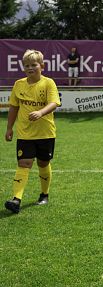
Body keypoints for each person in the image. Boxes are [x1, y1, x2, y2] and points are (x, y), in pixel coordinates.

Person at [4, 49, 61, 214]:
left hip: (46, 133)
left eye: (33, 65)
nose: (30, 68)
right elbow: (14, 107)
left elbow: (54, 103)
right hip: (25, 133)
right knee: (24, 163)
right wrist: (9, 128)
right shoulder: (18, 85)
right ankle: (16, 199)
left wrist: (41, 112)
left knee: (43, 163)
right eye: (27, 65)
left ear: (42, 66)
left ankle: (44, 194)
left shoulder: (48, 83)